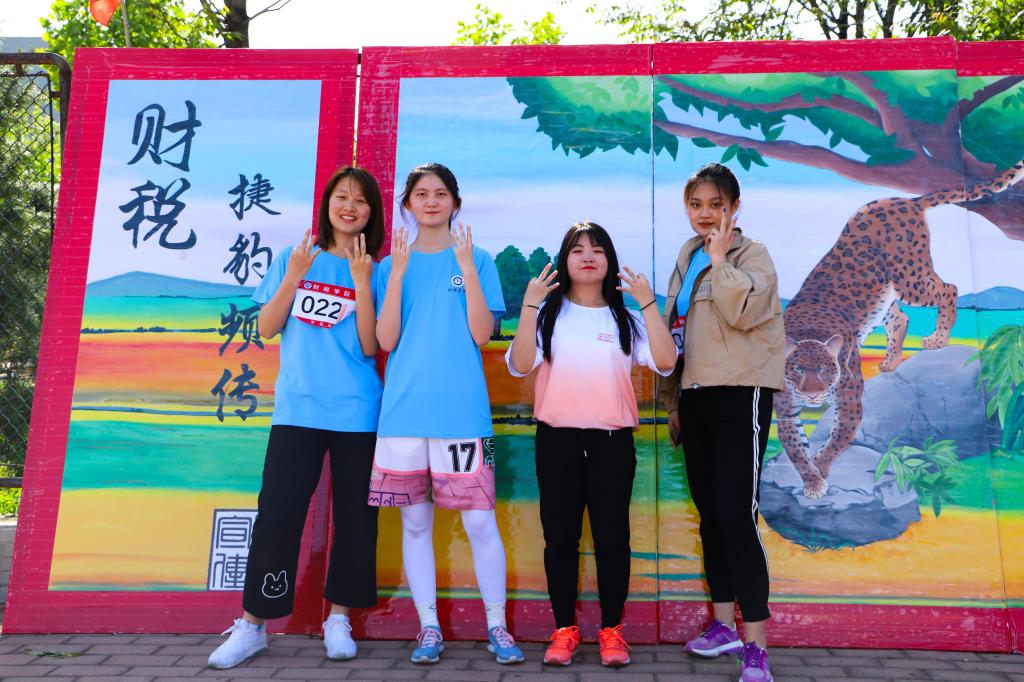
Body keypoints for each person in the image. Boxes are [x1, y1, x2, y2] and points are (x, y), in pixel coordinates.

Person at [207, 166, 386, 669]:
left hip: (357, 412)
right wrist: (293, 277)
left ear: (371, 212)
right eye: (341, 197)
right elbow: (266, 327)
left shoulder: (375, 269)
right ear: (327, 203)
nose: (349, 206)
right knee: (279, 515)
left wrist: (362, 283)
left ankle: (339, 618)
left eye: (360, 200)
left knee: (356, 518)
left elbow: (370, 346)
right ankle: (254, 624)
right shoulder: (295, 256)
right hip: (298, 410)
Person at [368, 162, 524, 665]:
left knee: (480, 523)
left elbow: (482, 334)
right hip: (403, 416)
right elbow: (385, 339)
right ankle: (428, 627)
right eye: (421, 194)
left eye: (440, 193)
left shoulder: (478, 258)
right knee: (416, 524)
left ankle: (498, 627)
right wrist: (396, 276)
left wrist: (467, 270)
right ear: (407, 204)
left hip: (462, 416)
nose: (431, 201)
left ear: (456, 202)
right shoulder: (391, 264)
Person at [506, 222, 676, 667]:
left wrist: (648, 303)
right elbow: (520, 365)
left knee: (613, 539)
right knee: (559, 539)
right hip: (557, 441)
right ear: (564, 261)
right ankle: (564, 630)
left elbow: (665, 361)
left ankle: (612, 632)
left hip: (612, 445)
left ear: (609, 261)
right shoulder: (548, 316)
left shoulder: (626, 319)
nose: (587, 257)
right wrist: (529, 305)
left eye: (597, 250)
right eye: (577, 250)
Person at [659, 163, 785, 682]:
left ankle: (756, 647)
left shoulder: (753, 255)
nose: (706, 214)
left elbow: (743, 313)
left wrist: (719, 260)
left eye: (716, 204)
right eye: (696, 205)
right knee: (711, 515)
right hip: (695, 396)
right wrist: (672, 402)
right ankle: (722, 627)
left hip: (740, 393)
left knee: (737, 515)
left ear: (734, 208)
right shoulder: (686, 256)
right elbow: (676, 332)